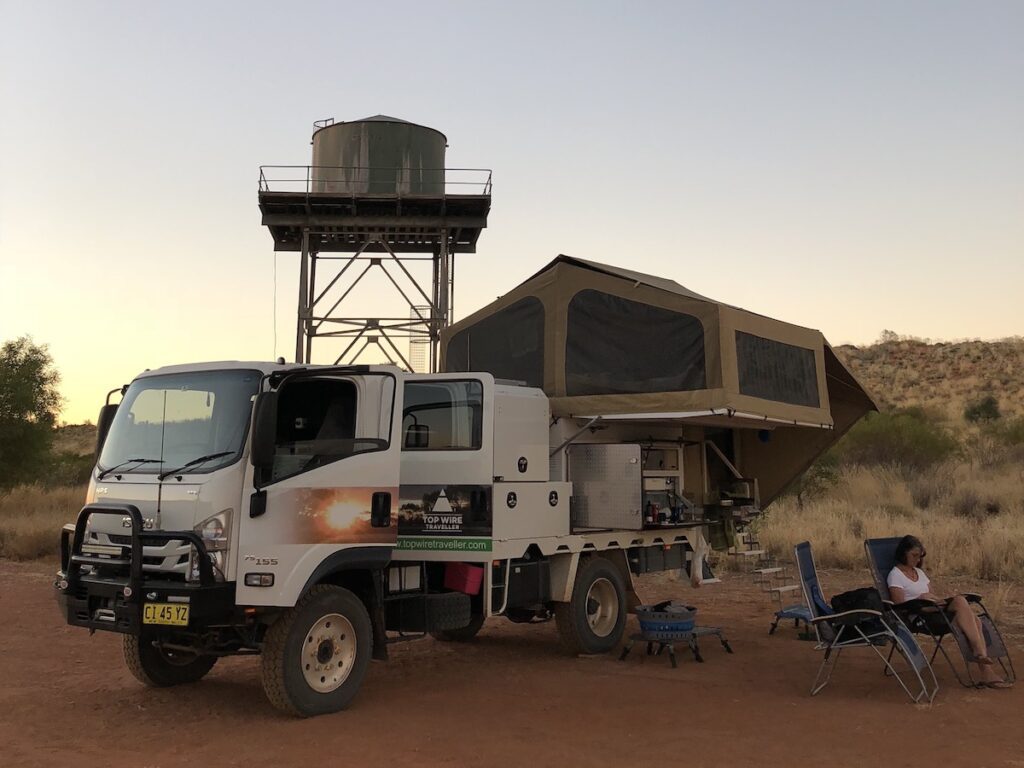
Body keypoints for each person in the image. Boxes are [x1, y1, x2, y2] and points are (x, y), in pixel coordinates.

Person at [888, 535, 1012, 689]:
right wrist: (921, 598)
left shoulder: (919, 573)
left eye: (919, 556)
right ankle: (983, 660)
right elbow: (899, 605)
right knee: (963, 606)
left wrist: (937, 599)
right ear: (903, 553)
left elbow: (932, 593)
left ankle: (983, 662)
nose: (917, 560)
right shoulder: (895, 575)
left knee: (970, 613)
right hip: (919, 615)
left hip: (934, 609)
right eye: (914, 556)